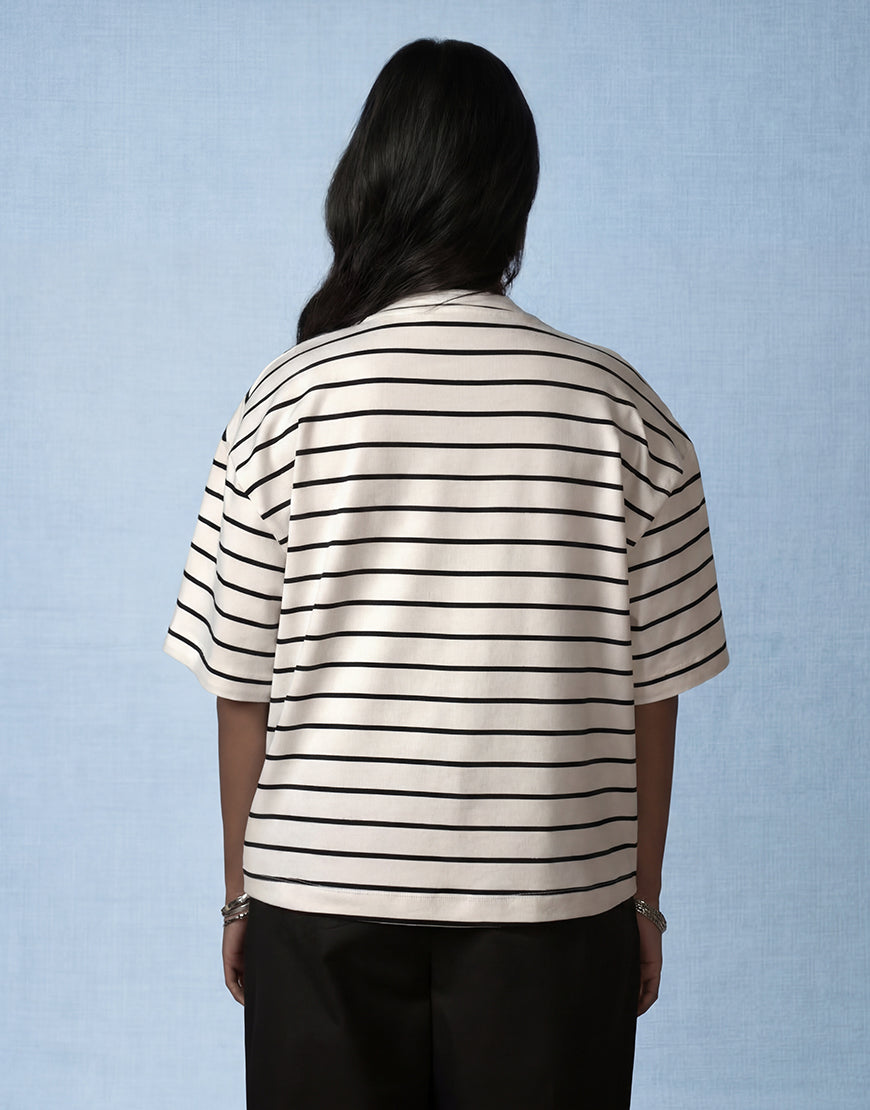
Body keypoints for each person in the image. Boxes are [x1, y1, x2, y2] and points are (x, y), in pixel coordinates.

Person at [163, 38, 728, 1110]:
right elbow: (654, 698)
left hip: (317, 909)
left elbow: (239, 688)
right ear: (515, 195)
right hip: (556, 905)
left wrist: (242, 899)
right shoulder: (623, 411)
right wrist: (641, 906)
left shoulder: (283, 403)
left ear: (368, 181)